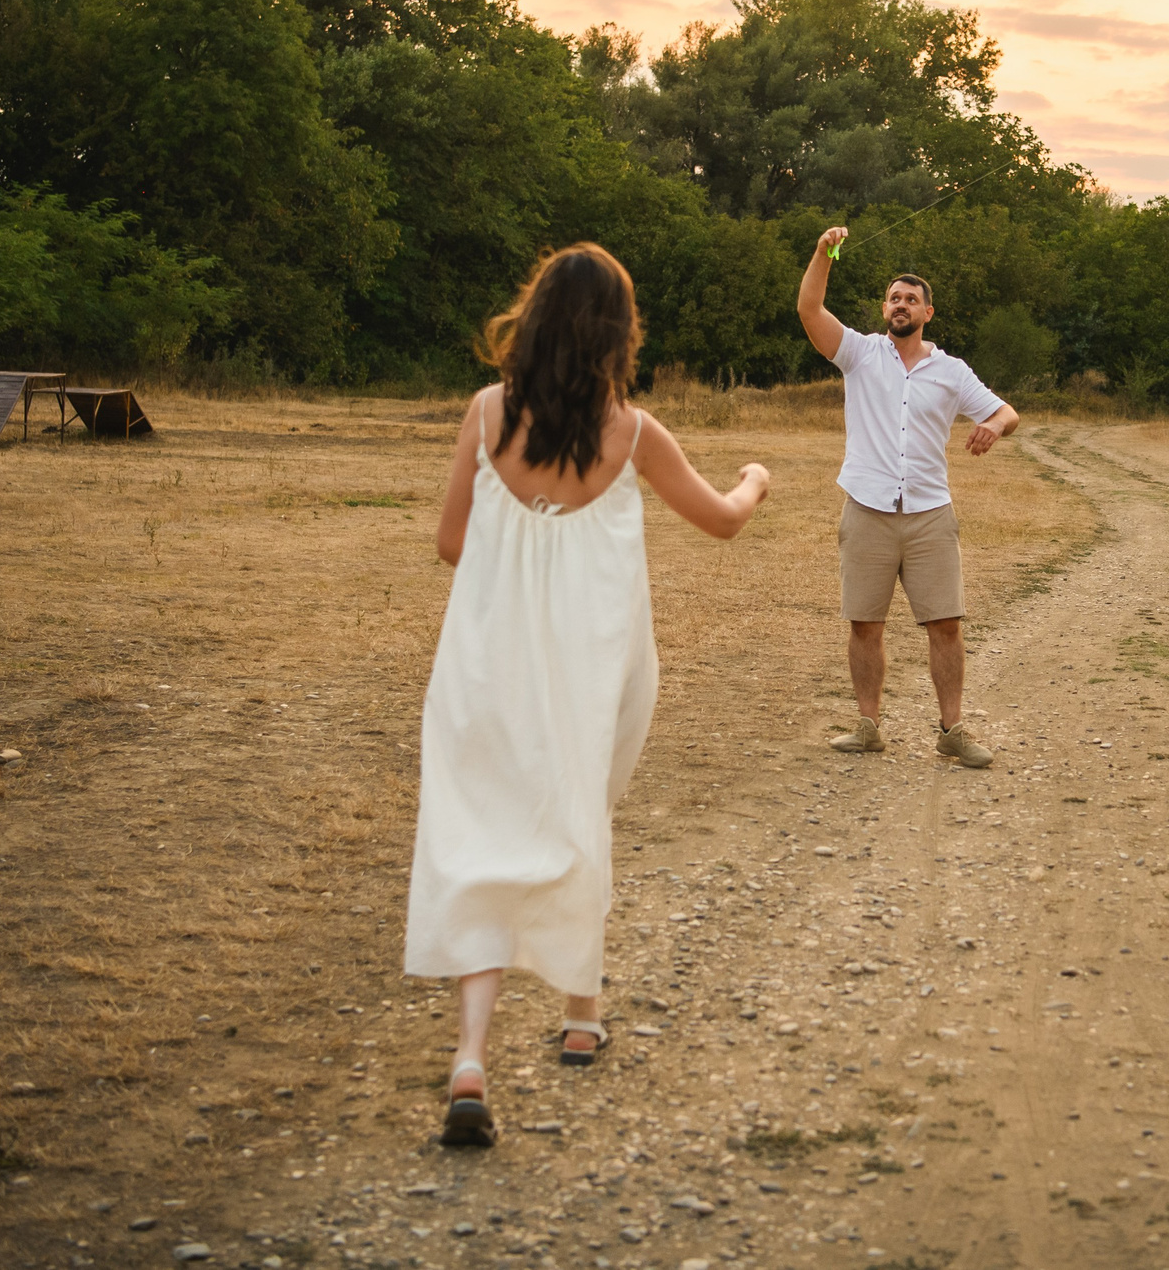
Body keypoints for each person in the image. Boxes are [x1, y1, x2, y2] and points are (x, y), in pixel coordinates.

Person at [404, 244, 771, 1149]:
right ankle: (579, 1015)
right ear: (618, 331)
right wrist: (757, 479)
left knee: (482, 836)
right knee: (579, 814)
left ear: (530, 319)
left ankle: (471, 1059)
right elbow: (723, 520)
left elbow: (452, 543)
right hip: (591, 663)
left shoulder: (488, 412)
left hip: (485, 664)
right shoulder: (633, 432)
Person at [797, 225, 1020, 768]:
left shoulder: (951, 371)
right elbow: (808, 309)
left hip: (929, 515)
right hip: (867, 509)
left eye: (911, 299)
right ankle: (868, 727)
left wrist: (993, 426)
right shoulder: (859, 354)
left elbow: (1007, 412)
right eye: (894, 298)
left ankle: (952, 731)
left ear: (927, 313)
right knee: (865, 624)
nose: (901, 305)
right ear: (885, 308)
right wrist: (823, 254)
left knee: (945, 624)